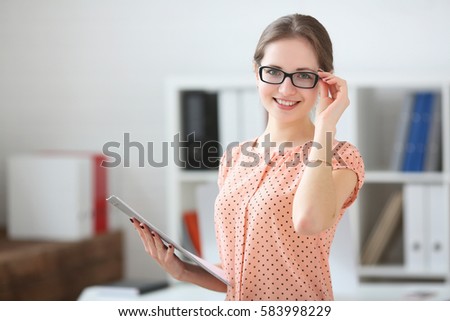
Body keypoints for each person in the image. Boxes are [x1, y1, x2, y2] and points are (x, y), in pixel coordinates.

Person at [131, 13, 365, 301]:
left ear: (324, 81)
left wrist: (326, 126)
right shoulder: (235, 158)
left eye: (304, 75)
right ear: (256, 73)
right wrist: (183, 271)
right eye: (274, 72)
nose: (286, 88)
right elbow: (243, 275)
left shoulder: (341, 157)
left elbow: (308, 220)